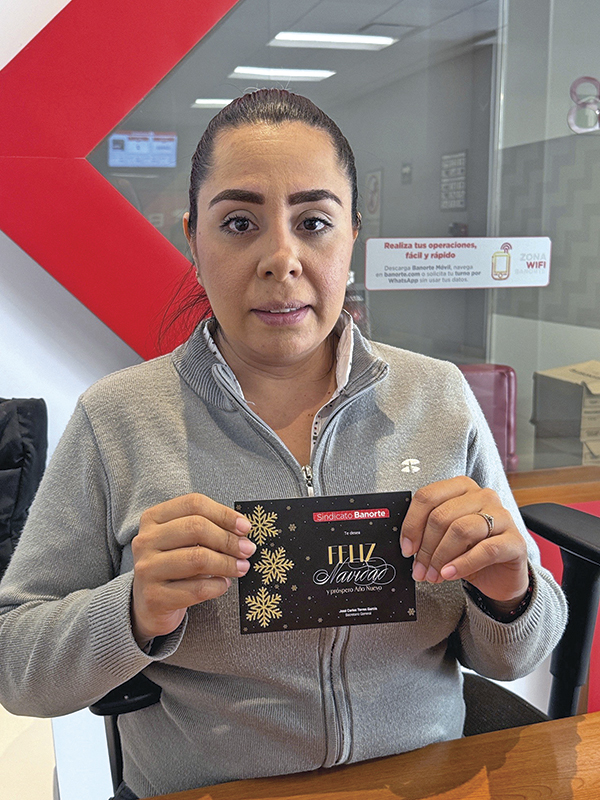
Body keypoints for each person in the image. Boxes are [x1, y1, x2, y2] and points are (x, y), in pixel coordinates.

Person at [0, 89, 566, 799]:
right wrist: (134, 610)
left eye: (314, 222)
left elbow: (516, 656)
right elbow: (16, 664)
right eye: (239, 223)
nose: (281, 258)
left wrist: (511, 593)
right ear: (194, 241)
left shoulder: (438, 396)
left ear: (352, 236)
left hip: (420, 783)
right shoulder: (117, 420)